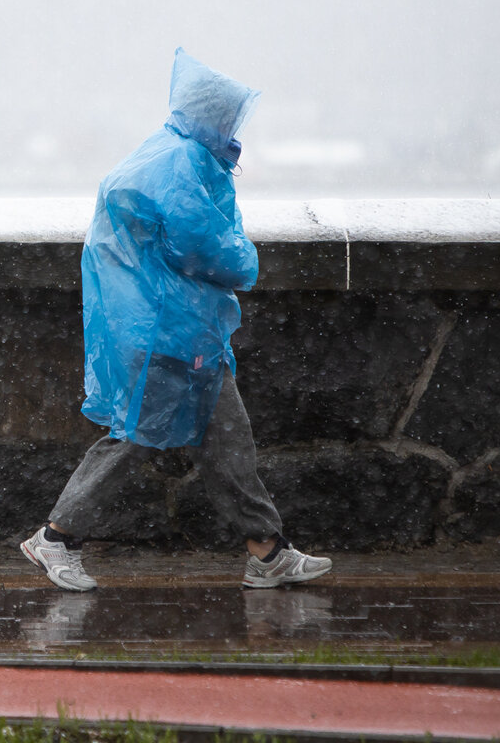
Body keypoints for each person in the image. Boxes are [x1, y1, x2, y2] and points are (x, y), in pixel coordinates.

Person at [21, 48, 331, 591]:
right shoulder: (183, 162)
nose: (235, 127)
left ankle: (267, 551)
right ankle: (54, 538)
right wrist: (246, 260)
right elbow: (205, 246)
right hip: (167, 330)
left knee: (227, 438)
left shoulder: (165, 153)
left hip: (180, 331)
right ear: (214, 115)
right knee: (134, 438)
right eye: (230, 116)